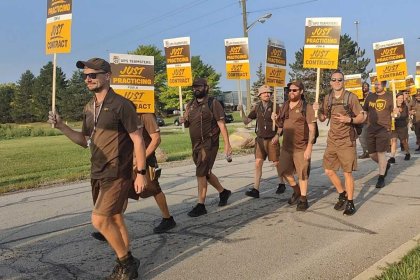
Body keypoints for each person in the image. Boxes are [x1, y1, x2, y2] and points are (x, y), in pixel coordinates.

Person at [48, 57, 145, 279]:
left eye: (93, 75)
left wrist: (139, 173)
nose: (88, 79)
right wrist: (62, 126)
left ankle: (127, 262)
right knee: (114, 218)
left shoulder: (122, 105)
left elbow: (138, 140)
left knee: (99, 220)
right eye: (85, 76)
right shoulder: (89, 108)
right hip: (97, 171)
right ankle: (125, 260)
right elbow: (84, 140)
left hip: (117, 171)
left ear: (107, 76)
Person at [91, 112, 177, 240]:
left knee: (154, 189)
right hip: (126, 161)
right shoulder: (124, 113)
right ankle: (111, 228)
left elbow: (156, 139)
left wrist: (140, 158)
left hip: (146, 160)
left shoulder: (146, 115)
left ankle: (168, 219)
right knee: (123, 192)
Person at [313, 70, 365, 215]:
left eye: (340, 80)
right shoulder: (327, 98)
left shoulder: (351, 97)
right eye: (334, 80)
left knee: (347, 173)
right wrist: (317, 111)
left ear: (344, 82)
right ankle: (342, 193)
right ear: (330, 82)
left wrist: (350, 120)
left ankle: (350, 202)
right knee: (328, 170)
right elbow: (323, 118)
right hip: (332, 139)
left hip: (347, 140)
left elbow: (362, 117)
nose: (337, 82)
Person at [180, 77, 232, 217]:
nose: (196, 89)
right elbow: (187, 123)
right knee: (206, 172)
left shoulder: (213, 103)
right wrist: (183, 120)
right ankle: (223, 192)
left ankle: (200, 205)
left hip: (209, 144)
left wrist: (227, 144)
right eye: (194, 87)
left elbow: (222, 124)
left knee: (201, 173)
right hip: (195, 145)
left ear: (206, 88)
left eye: (199, 86)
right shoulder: (190, 104)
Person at [275, 81, 317, 211]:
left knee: (302, 173)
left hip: (301, 146)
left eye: (294, 90)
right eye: (290, 90)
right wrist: (275, 123)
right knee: (283, 170)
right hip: (286, 147)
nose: (291, 92)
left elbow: (312, 129)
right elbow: (281, 124)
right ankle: (297, 190)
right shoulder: (285, 105)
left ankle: (303, 199)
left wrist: (309, 147)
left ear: (301, 91)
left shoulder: (307, 107)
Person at [240, 84, 286, 198]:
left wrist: (278, 135)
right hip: (260, 139)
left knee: (276, 163)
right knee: (258, 163)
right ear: (260, 95)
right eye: (264, 92)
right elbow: (246, 121)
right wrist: (242, 111)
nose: (267, 94)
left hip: (272, 139)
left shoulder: (276, 107)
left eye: (269, 92)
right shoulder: (256, 107)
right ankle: (256, 189)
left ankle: (282, 183)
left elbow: (282, 125)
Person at [362, 80, 399, 188]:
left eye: (378, 84)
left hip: (384, 129)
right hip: (370, 129)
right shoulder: (370, 97)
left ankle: (381, 177)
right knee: (372, 154)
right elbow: (365, 111)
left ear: (384, 85)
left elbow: (394, 113)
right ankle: (385, 165)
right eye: (375, 84)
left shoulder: (389, 96)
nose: (376, 86)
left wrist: (396, 112)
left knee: (381, 153)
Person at [389, 92, 410, 162]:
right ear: (396, 98)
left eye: (402, 98)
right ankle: (392, 157)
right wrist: (392, 114)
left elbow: (404, 116)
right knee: (393, 141)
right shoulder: (392, 106)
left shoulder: (405, 107)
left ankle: (407, 153)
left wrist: (398, 113)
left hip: (402, 126)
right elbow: (389, 114)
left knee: (404, 141)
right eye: (399, 98)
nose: (400, 99)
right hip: (394, 127)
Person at [358, 82, 371, 159]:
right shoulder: (359, 96)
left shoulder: (372, 95)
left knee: (368, 137)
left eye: (366, 86)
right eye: (363, 86)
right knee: (362, 137)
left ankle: (370, 151)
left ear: (368, 87)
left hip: (370, 119)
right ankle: (366, 151)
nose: (364, 87)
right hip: (361, 120)